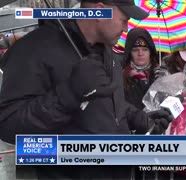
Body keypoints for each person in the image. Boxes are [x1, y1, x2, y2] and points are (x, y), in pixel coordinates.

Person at [0, 0, 172, 179]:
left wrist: (137, 118)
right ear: (99, 11)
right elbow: (9, 124)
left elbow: (106, 103)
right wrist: (69, 93)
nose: (126, 28)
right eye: (124, 20)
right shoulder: (33, 50)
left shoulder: (107, 51)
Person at [122, 27, 158, 109]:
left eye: (145, 49)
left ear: (150, 52)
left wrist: (162, 81)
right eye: (135, 50)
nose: (140, 53)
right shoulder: (122, 77)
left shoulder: (160, 74)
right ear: (129, 52)